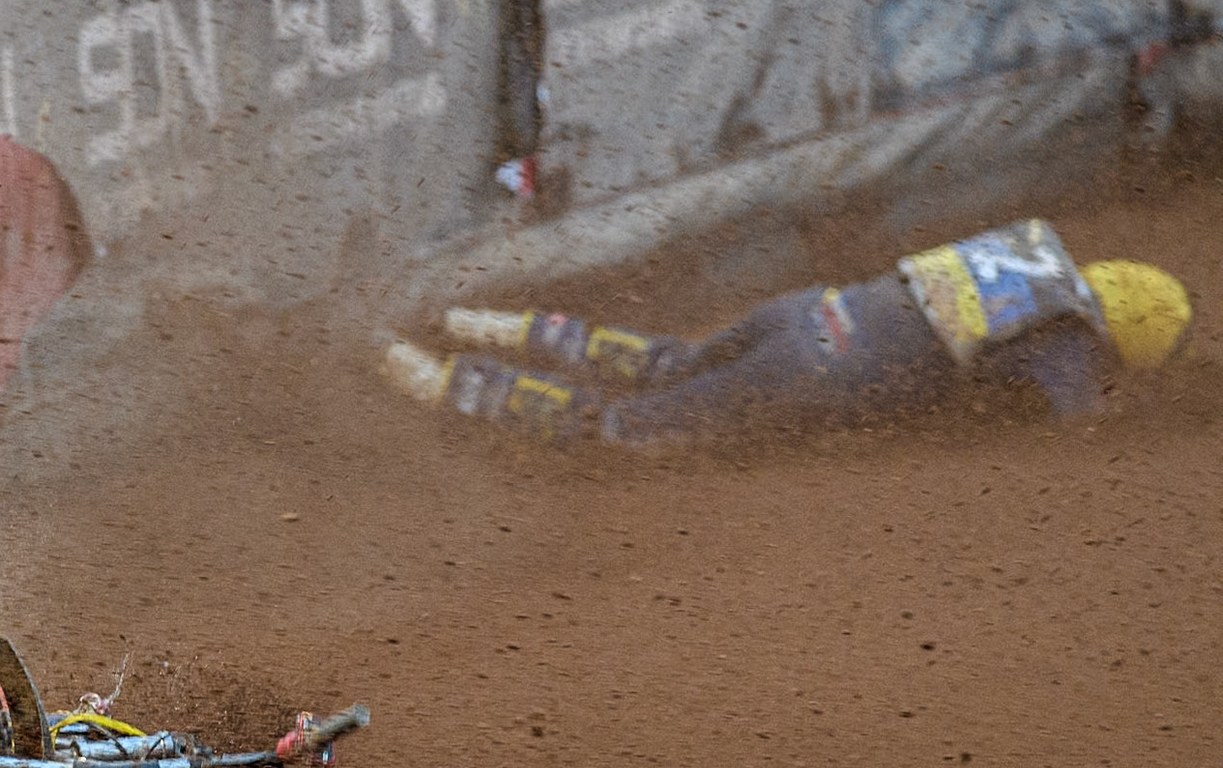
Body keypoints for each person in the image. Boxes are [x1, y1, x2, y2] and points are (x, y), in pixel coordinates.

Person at [383, 219, 1191, 450]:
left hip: (809, 310)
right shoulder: (1069, 342)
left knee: (671, 359)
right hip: (817, 373)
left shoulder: (1032, 245)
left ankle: (471, 322)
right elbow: (1064, 426)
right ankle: (431, 379)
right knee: (623, 427)